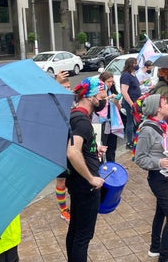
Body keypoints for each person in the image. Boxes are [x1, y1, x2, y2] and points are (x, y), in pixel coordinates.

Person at [66, 77, 108, 262]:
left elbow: (78, 146)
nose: (104, 100)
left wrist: (93, 148)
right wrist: (91, 178)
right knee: (83, 236)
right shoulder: (82, 121)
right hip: (86, 186)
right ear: (91, 97)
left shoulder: (75, 115)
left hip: (76, 183)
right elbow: (72, 152)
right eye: (102, 96)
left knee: (75, 230)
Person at [134, 94, 168, 262]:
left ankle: (155, 247)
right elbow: (140, 158)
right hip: (157, 178)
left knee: (161, 213)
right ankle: (164, 256)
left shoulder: (163, 124)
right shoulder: (147, 130)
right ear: (157, 109)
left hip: (166, 177)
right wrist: (159, 162)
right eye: (165, 103)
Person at [54, 71, 72, 223]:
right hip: (58, 149)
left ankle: (73, 207)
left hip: (72, 147)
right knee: (61, 182)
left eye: (69, 87)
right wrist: (55, 82)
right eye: (64, 87)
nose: (68, 90)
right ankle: (63, 210)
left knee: (73, 181)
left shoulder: (71, 103)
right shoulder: (54, 104)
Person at [99, 71, 122, 163]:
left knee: (111, 148)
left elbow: (119, 108)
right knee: (101, 147)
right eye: (108, 82)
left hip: (112, 122)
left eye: (112, 82)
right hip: (102, 123)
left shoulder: (111, 91)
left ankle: (111, 165)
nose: (110, 84)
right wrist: (108, 98)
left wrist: (116, 101)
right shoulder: (99, 92)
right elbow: (97, 103)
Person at [120, 57, 142, 149]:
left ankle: (135, 140)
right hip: (130, 103)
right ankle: (129, 142)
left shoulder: (133, 74)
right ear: (130, 64)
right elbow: (124, 91)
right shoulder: (126, 75)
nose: (136, 65)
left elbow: (134, 85)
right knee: (130, 122)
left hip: (136, 102)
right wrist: (131, 104)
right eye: (134, 63)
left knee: (136, 122)